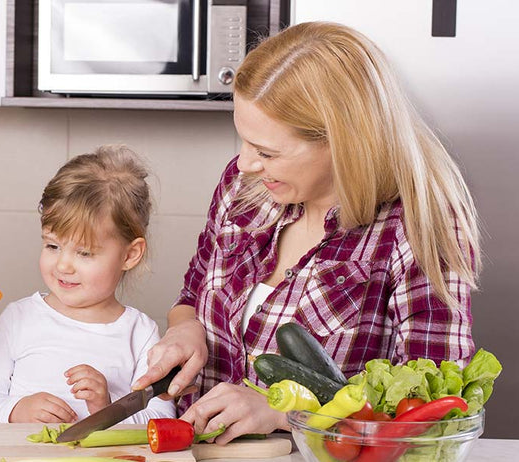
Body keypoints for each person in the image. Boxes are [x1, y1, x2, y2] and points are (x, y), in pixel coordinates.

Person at [131, 22, 482, 443]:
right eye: (243, 141)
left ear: (343, 141)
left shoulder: (418, 223)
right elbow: (192, 294)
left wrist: (285, 410)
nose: (244, 164)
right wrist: (184, 329)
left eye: (266, 151)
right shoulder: (244, 187)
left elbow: (432, 410)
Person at [0, 146, 176, 423]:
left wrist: (108, 409)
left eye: (84, 253)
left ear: (129, 254)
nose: (63, 265)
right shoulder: (19, 318)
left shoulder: (140, 333)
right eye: (52, 245)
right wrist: (16, 411)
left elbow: (160, 420)